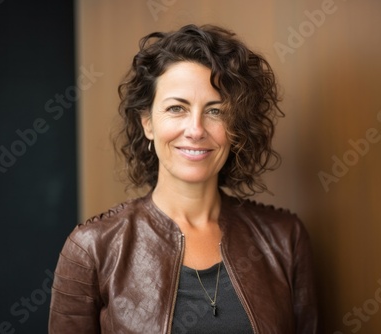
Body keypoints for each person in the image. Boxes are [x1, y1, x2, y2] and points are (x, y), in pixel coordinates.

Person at [49, 24, 318, 333]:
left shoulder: (285, 240)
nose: (195, 129)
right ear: (147, 123)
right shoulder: (91, 248)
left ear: (236, 128)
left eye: (215, 111)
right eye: (177, 108)